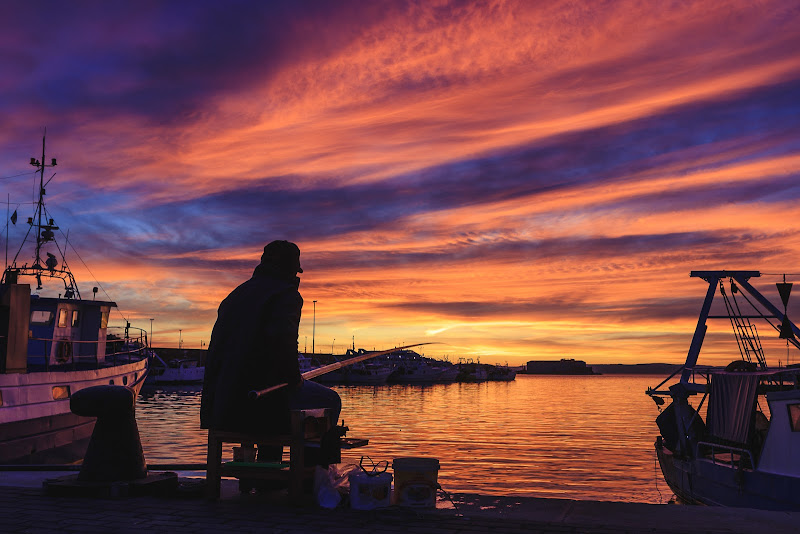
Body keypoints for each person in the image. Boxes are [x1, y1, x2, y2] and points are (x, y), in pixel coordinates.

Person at [200, 240, 341, 438]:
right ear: (291, 268)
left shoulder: (235, 295)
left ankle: (267, 463)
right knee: (331, 400)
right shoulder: (286, 295)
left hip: (221, 407)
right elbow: (284, 345)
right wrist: (294, 379)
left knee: (280, 398)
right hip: (260, 405)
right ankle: (311, 467)